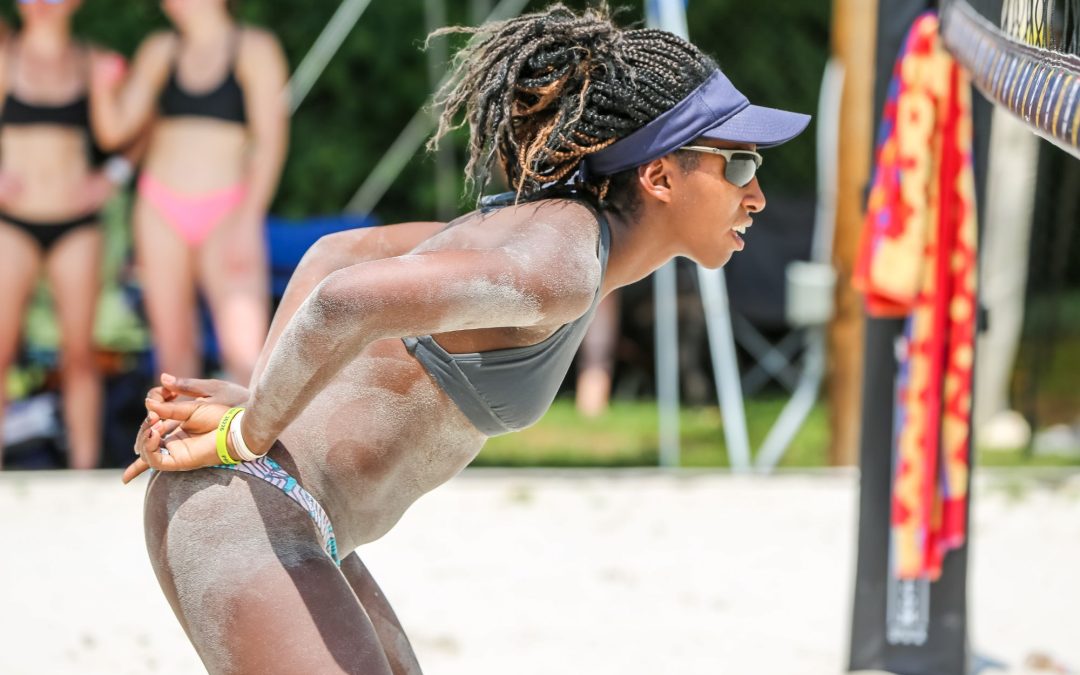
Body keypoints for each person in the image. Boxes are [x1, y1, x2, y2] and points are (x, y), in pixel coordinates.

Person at [125, 5, 809, 672]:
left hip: (298, 517)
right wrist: (249, 428)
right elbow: (343, 296)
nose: (757, 196)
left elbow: (337, 254)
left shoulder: (553, 235)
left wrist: (262, 400)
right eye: (739, 165)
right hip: (251, 512)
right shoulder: (558, 265)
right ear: (659, 176)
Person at [89, 0, 288, 385]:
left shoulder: (255, 48)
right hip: (159, 208)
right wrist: (100, 85)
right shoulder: (160, 48)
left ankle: (246, 445)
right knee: (173, 356)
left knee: (246, 357)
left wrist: (249, 220)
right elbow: (112, 132)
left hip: (227, 211)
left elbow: (270, 144)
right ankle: (177, 446)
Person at [0, 0, 125, 469]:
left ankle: (85, 474)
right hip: (13, 223)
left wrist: (113, 174)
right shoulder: (5, 56)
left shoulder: (92, 60)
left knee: (79, 356)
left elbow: (139, 125)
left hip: (75, 226)